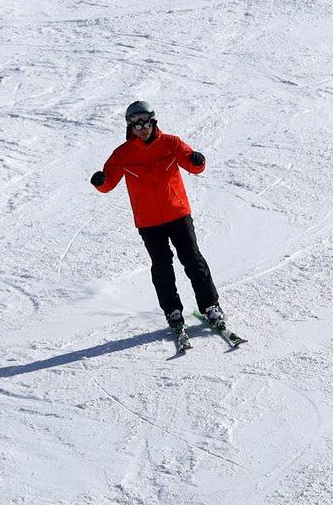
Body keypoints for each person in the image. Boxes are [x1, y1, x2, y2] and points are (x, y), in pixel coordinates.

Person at [90, 101, 241, 341]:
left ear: (153, 121)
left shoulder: (171, 143)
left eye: (146, 122)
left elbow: (191, 164)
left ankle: (210, 306)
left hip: (177, 213)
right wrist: (100, 181)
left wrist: (197, 160)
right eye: (136, 124)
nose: (142, 128)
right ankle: (172, 311)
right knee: (161, 266)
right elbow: (108, 183)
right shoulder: (123, 154)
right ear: (129, 126)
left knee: (193, 260)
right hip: (148, 221)